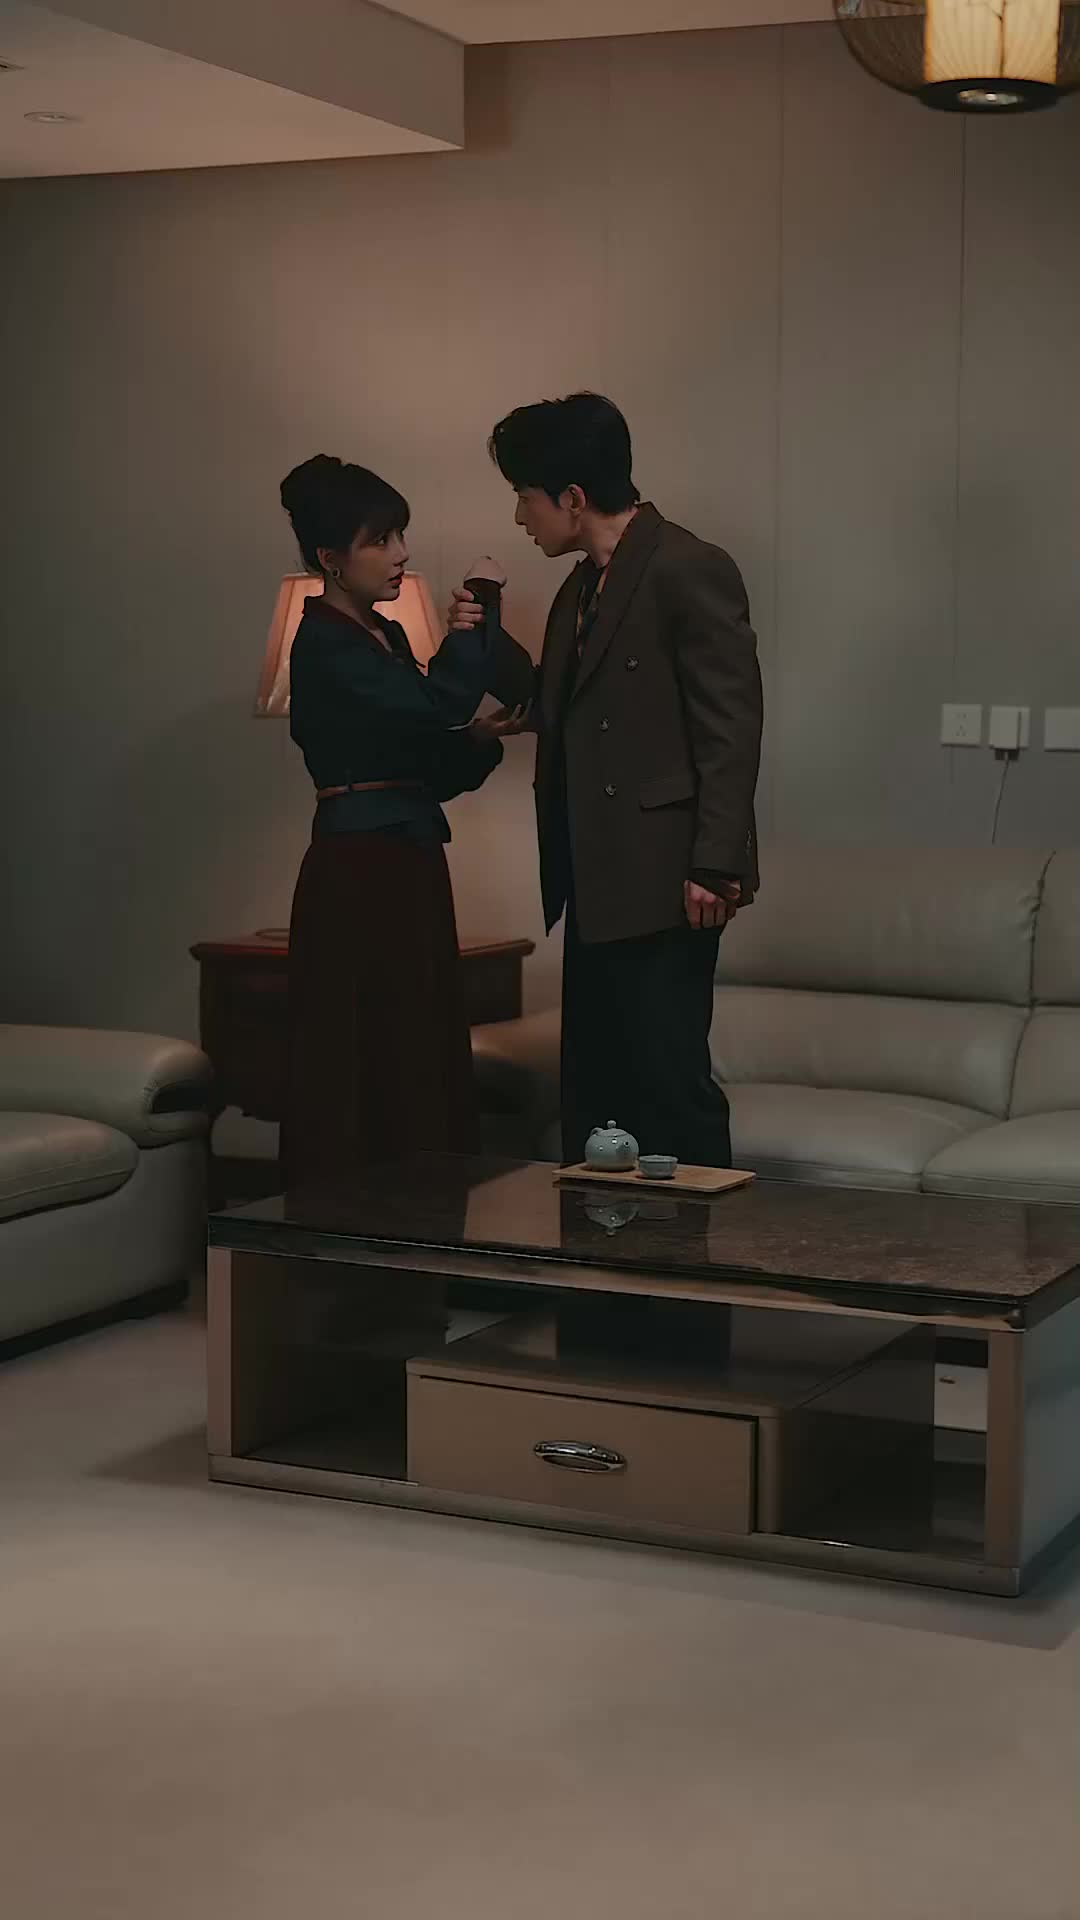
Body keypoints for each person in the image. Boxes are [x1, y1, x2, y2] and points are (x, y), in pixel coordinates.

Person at [449, 393, 762, 1169]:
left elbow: (730, 727)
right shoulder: (580, 587)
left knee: (670, 1087)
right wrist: (484, 639)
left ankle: (703, 1251)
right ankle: (603, 1248)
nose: (519, 516)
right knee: (596, 1094)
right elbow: (558, 704)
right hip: (594, 875)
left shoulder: (688, 566)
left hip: (668, 878)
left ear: (572, 497)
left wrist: (714, 862)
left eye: (524, 495)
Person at [280, 453, 531, 1186]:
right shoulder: (324, 642)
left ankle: (422, 1229)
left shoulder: (382, 636)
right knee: (366, 1051)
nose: (401, 553)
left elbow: (424, 760)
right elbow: (435, 704)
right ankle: (350, 1233)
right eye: (382, 540)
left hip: (405, 857)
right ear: (331, 558)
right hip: (359, 868)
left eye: (400, 536)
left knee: (415, 1045)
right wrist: (474, 616)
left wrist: (477, 739)